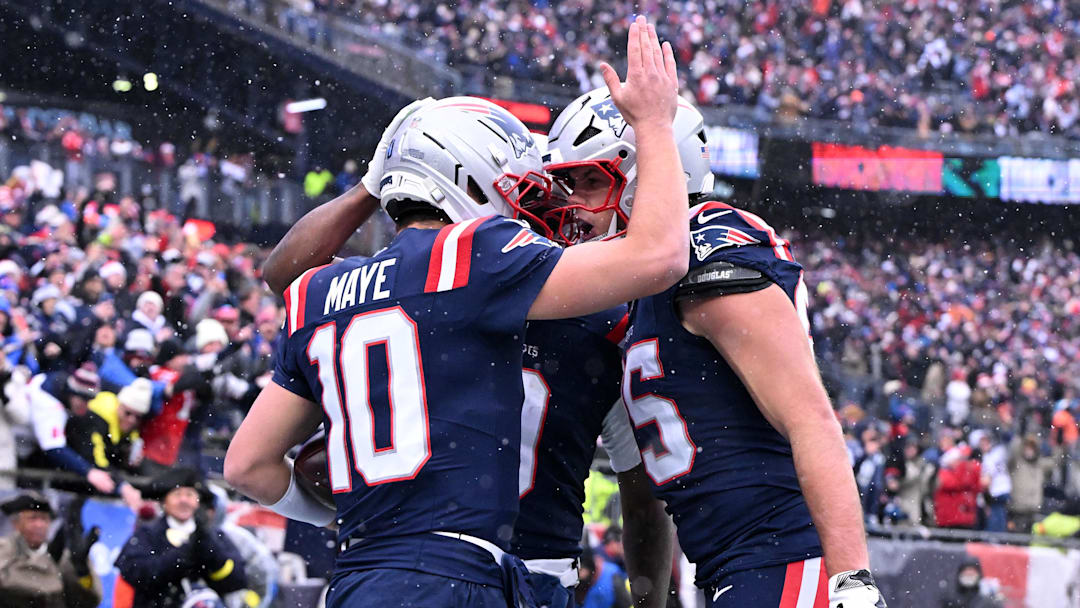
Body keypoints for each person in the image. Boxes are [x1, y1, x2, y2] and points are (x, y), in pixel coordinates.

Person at [226, 17, 687, 608]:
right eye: (519, 191)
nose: (526, 210)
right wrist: (652, 123)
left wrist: (378, 178)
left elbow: (246, 465)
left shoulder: (319, 289)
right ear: (472, 178)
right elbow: (659, 254)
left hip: (357, 573)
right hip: (464, 573)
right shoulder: (476, 260)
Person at [543, 87, 886, 606]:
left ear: (649, 174)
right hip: (734, 566)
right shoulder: (643, 287)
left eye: (591, 182)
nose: (577, 206)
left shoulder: (708, 255)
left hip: (782, 560)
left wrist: (850, 582)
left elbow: (811, 417)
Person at [115, 468, 250, 607]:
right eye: (177, 495)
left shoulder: (215, 536)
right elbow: (135, 573)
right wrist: (183, 555)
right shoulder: (147, 534)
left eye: (190, 495)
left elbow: (236, 580)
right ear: (164, 502)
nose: (183, 500)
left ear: (198, 501)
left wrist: (208, 547)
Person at [0, 493, 101, 608]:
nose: (39, 525)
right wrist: (51, 573)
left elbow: (88, 601)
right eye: (33, 518)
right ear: (16, 523)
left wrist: (81, 571)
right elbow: (7, 584)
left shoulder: (62, 555)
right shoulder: (4, 549)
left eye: (44, 519)